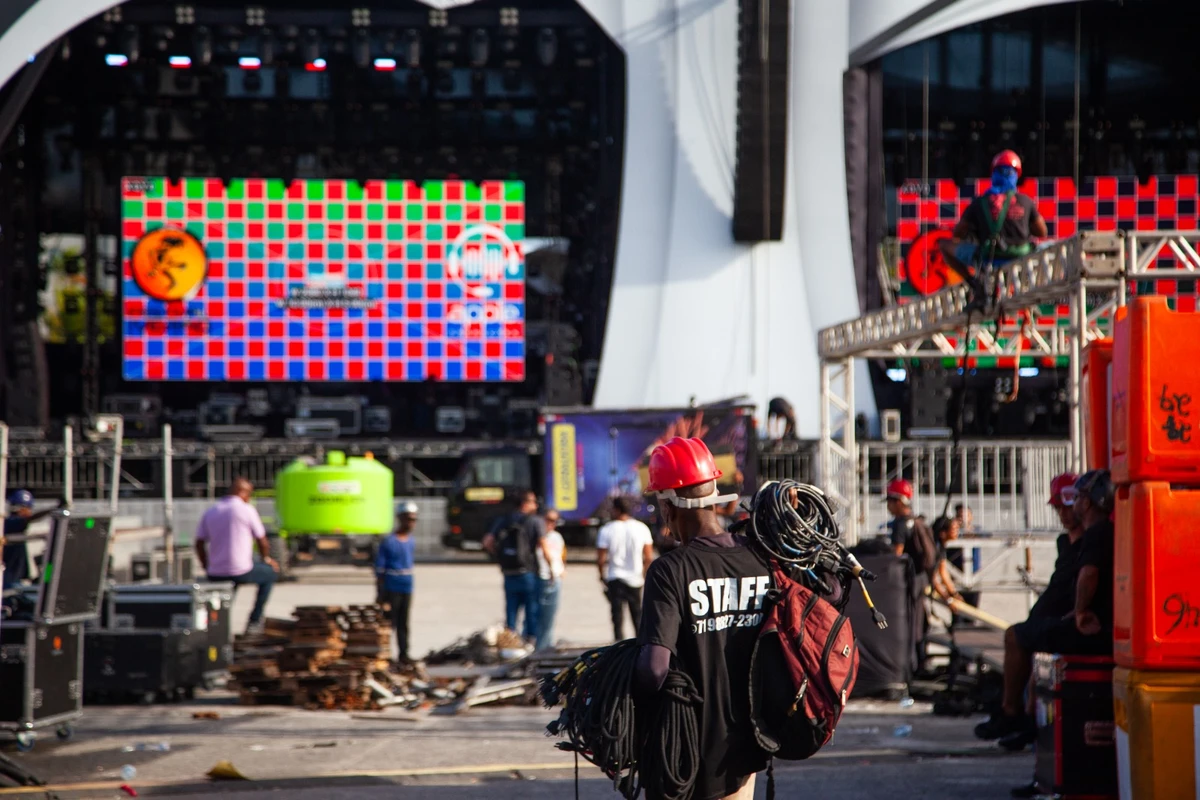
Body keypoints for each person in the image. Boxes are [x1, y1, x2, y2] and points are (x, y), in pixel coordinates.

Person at [636, 437, 769, 800]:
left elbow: (654, 670)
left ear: (667, 506)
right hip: (747, 753)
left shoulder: (669, 571)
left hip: (688, 753)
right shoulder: (758, 557)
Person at [975, 471, 1109, 747]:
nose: (1063, 513)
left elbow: (1088, 576)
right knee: (1037, 662)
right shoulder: (1067, 543)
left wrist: (1080, 611)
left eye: (1067, 505)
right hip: (1058, 619)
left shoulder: (1094, 537)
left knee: (1020, 640)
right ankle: (1028, 723)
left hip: (1080, 625)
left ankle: (1014, 716)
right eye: (1058, 508)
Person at [939, 150, 1048, 306]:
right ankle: (1034, 289)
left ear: (993, 174)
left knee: (944, 246)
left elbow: (958, 233)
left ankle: (974, 283)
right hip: (1022, 257)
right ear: (1016, 175)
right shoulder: (1025, 201)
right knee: (1053, 246)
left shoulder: (980, 202)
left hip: (989, 258)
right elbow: (1042, 232)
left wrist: (976, 228)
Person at [195, 477, 278, 635]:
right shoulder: (246, 510)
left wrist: (206, 565)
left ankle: (216, 627)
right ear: (243, 492)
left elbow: (199, 543)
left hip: (215, 571)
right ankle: (254, 620)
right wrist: (266, 559)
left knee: (228, 587)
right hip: (240, 570)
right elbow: (262, 540)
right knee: (269, 574)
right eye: (249, 494)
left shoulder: (212, 511)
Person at [482, 490, 548, 643]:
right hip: (528, 572)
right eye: (533, 501)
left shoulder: (504, 519)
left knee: (511, 611)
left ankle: (509, 641)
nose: (536, 505)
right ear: (525, 503)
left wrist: (499, 555)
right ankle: (530, 642)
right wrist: (552, 568)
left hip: (509, 572)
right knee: (531, 610)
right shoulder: (535, 521)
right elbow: (544, 545)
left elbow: (487, 542)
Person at [596, 496, 654, 641]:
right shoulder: (641, 528)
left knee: (617, 616)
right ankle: (641, 644)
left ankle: (619, 645)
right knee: (638, 614)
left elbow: (601, 557)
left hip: (615, 576)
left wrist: (601, 574)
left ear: (616, 510)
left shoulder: (607, 530)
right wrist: (644, 573)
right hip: (635, 577)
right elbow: (648, 556)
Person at [376, 502, 418, 663]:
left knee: (403, 622)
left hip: (406, 586)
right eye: (408, 519)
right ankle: (385, 654)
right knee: (389, 622)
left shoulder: (411, 541)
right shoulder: (389, 542)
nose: (411, 523)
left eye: (414, 520)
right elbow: (380, 569)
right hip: (391, 586)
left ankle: (404, 654)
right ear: (400, 519)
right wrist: (380, 593)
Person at [2, 490, 59, 591]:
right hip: (10, 579)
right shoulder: (10, 523)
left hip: (17, 578)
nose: (29, 511)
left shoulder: (11, 524)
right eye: (28, 508)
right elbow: (30, 518)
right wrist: (53, 509)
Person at [535, 509, 566, 651]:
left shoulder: (557, 537)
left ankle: (546, 645)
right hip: (542, 576)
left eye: (554, 521)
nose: (551, 524)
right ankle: (539, 647)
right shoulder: (537, 536)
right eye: (548, 520)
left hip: (555, 577)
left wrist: (561, 569)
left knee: (550, 615)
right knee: (538, 615)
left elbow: (560, 555)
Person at [930, 516, 962, 602]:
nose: (957, 532)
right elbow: (932, 576)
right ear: (943, 533)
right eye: (954, 529)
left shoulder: (941, 546)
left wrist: (954, 593)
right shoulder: (933, 548)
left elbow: (943, 571)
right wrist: (947, 598)